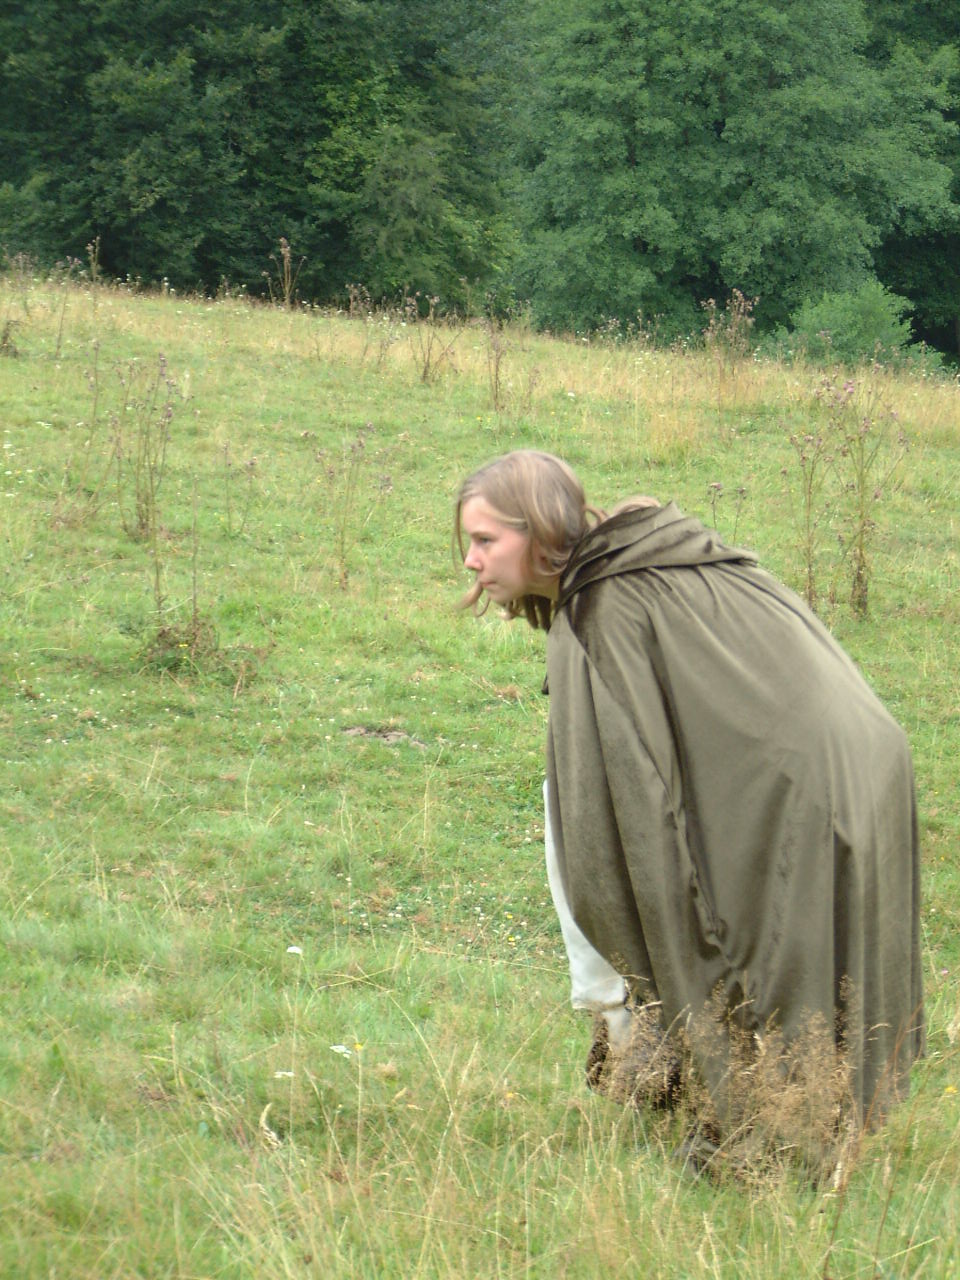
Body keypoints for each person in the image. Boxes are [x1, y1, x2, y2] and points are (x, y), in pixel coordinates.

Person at [455, 449, 923, 1140]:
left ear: (542, 530)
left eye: (486, 540)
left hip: (800, 776)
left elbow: (604, 831)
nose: (471, 560)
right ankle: (821, 1113)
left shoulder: (599, 611)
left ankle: (773, 1132)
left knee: (763, 943)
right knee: (805, 949)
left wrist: (635, 985)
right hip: (869, 752)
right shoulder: (651, 556)